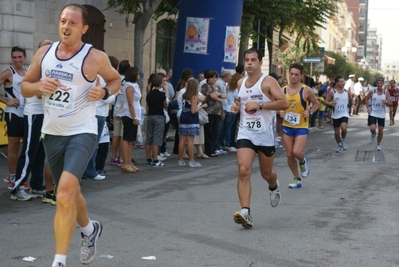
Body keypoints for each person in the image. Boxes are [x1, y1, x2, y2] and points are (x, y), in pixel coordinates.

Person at [20, 4, 121, 267]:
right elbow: (24, 87)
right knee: (71, 192)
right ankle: (90, 230)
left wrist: (104, 93)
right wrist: (39, 85)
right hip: (52, 132)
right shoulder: (45, 53)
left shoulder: (95, 57)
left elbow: (115, 80)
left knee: (62, 193)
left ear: (84, 28)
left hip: (82, 132)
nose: (66, 26)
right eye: (63, 21)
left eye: (73, 23)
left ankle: (59, 261)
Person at [230, 48, 289, 229]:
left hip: (265, 134)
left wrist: (261, 104)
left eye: (253, 60)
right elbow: (241, 104)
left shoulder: (268, 81)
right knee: (243, 170)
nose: (249, 63)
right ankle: (245, 212)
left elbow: (284, 103)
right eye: (246, 60)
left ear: (260, 62)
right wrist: (236, 107)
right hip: (246, 132)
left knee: (266, 173)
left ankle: (273, 184)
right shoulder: (240, 83)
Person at [10, 40, 52, 201]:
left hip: (44, 115)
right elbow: (39, 94)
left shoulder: (48, 69)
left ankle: (36, 185)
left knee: (41, 151)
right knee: (29, 150)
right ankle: (18, 187)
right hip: (33, 114)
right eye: (45, 48)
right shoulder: (37, 68)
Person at [279, 63, 319, 189]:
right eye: (291, 74)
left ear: (301, 76)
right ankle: (297, 178)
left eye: (296, 74)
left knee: (297, 152)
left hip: (301, 125)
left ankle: (302, 161)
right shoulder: (283, 90)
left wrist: (310, 111)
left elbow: (316, 103)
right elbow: (277, 105)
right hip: (287, 125)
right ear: (288, 74)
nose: (293, 77)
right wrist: (279, 112)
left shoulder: (306, 90)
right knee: (289, 154)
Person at [0, 46, 29, 191]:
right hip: (14, 113)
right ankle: (12, 177)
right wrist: (6, 101)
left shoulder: (28, 71)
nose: (17, 60)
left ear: (25, 57)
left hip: (27, 113)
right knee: (13, 146)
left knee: (25, 147)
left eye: (19, 57)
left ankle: (17, 173)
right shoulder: (8, 73)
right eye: (14, 57)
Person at [178, 79, 207, 167]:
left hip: (183, 116)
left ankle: (181, 159)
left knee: (183, 139)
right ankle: (191, 160)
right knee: (190, 140)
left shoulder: (184, 95)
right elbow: (193, 111)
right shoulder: (193, 97)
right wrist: (202, 106)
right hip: (191, 118)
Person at [119, 66, 142, 173]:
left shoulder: (134, 85)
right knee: (127, 139)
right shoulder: (129, 87)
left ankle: (129, 162)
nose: (139, 75)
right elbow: (130, 103)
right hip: (129, 115)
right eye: (137, 73)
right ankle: (125, 163)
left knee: (130, 140)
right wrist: (134, 117)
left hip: (134, 114)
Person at [110, 60, 131, 167]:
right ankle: (121, 157)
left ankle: (113, 157)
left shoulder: (116, 78)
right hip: (124, 109)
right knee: (123, 135)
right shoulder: (127, 81)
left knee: (116, 134)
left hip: (116, 107)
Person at [201, 70, 226, 157]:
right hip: (209, 111)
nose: (214, 79)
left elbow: (224, 96)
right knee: (209, 131)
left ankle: (213, 149)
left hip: (217, 112)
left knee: (215, 131)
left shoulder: (217, 87)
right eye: (212, 77)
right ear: (208, 78)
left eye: (215, 77)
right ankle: (208, 150)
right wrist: (219, 97)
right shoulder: (205, 86)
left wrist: (222, 111)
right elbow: (212, 96)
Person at [325, 76, 353, 153]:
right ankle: (339, 144)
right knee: (336, 132)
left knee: (344, 128)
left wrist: (352, 105)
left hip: (344, 113)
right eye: (341, 81)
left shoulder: (347, 91)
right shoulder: (332, 92)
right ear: (337, 83)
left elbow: (351, 99)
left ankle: (343, 139)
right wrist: (331, 103)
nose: (343, 83)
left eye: (343, 81)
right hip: (336, 114)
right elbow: (325, 101)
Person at [364, 77, 393, 151]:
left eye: (381, 83)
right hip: (373, 112)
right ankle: (373, 134)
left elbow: (390, 103)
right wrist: (368, 107)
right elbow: (366, 99)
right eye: (378, 83)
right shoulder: (372, 91)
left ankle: (378, 144)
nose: (379, 85)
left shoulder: (385, 92)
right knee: (372, 128)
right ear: (376, 84)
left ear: (383, 84)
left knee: (380, 130)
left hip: (381, 114)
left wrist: (386, 102)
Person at [145, 74, 167, 167]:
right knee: (157, 138)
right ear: (160, 83)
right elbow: (165, 105)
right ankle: (155, 160)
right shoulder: (162, 94)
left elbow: (147, 106)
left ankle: (148, 159)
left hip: (150, 115)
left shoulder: (149, 94)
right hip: (159, 116)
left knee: (149, 138)